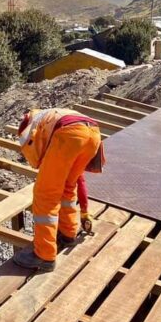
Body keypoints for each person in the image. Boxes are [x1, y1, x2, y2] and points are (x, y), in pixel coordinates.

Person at [15, 109, 104, 271]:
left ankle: (44, 255)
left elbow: (33, 148)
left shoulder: (32, 124)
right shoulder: (50, 117)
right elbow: (80, 179)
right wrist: (84, 211)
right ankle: (68, 234)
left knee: (45, 194)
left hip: (70, 134)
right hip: (94, 134)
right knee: (68, 186)